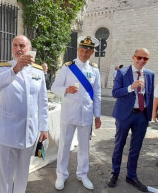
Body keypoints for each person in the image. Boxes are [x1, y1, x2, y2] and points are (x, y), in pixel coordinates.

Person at [0, 35, 49, 193]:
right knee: (5, 174)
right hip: (8, 131)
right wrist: (16, 69)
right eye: (15, 45)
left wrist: (44, 127)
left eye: (22, 45)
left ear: (29, 49)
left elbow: (42, 101)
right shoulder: (3, 67)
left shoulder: (37, 71)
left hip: (29, 131)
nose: (18, 49)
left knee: (23, 172)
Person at [51, 36, 101, 190]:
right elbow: (54, 87)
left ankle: (83, 174)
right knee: (64, 146)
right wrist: (66, 89)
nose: (84, 54)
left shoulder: (94, 69)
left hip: (86, 114)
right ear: (78, 49)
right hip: (69, 113)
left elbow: (97, 93)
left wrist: (97, 115)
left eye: (87, 51)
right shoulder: (68, 67)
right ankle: (61, 175)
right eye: (81, 50)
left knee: (84, 147)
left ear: (92, 52)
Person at [107, 48, 154, 192]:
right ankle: (115, 173)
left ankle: (131, 175)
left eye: (145, 59)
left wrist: (150, 115)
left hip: (141, 115)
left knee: (136, 147)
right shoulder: (122, 72)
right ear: (133, 57)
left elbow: (150, 95)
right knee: (119, 145)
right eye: (139, 57)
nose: (141, 61)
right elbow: (115, 92)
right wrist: (130, 87)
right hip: (124, 115)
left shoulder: (150, 74)